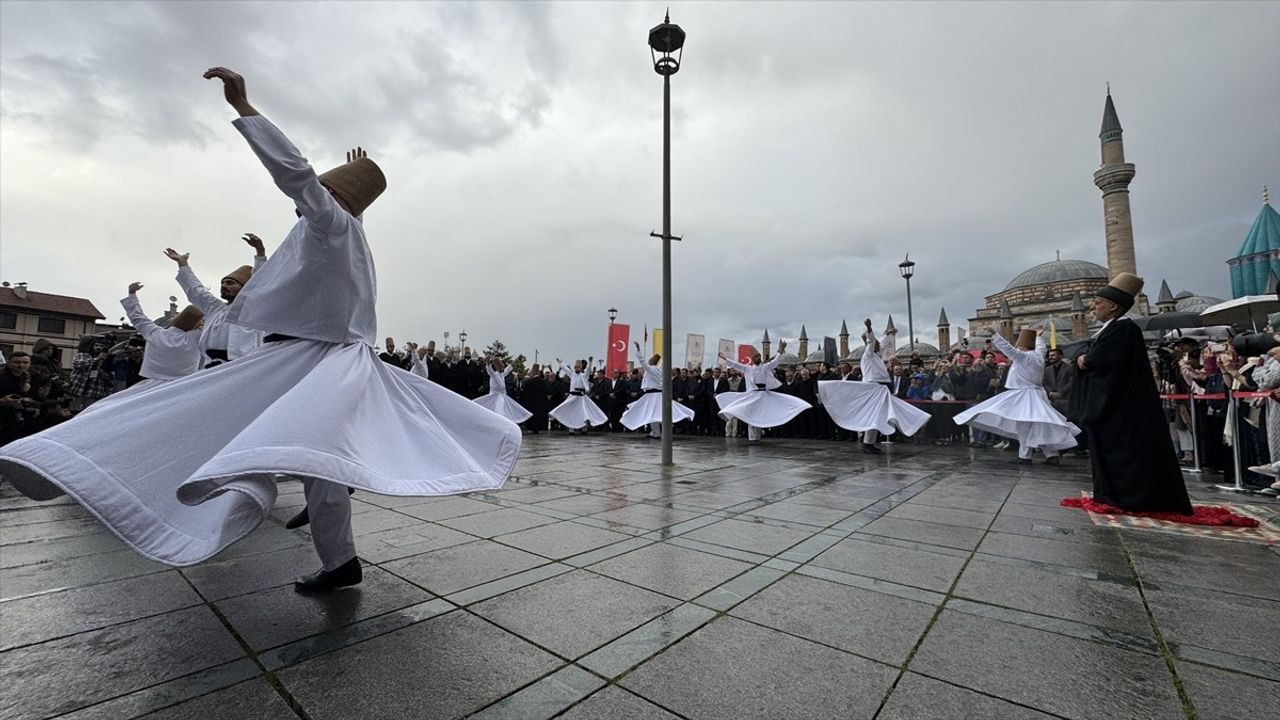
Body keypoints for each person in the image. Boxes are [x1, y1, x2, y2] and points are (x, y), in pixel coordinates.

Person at [0, 66, 522, 592]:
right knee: (313, 461)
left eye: (322, 192)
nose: (307, 197)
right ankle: (338, 561)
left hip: (315, 360)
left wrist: (246, 111)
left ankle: (239, 513)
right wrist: (356, 185)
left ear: (334, 200)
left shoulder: (331, 226)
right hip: (321, 360)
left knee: (247, 435)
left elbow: (295, 174)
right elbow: (309, 211)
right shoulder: (346, 234)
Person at [1069, 273, 1191, 513]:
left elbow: (1100, 362)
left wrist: (1085, 359)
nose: (1094, 307)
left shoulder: (1122, 330)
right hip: (1114, 407)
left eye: (1098, 302)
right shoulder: (1112, 330)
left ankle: (1127, 495)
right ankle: (1110, 493)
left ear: (1113, 306)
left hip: (1120, 409)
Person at [953, 328, 1078, 465]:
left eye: (1019, 346)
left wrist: (995, 335)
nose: (1018, 347)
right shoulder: (1039, 355)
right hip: (1038, 394)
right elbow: (1041, 347)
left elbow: (1008, 349)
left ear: (1023, 346)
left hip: (1025, 394)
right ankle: (1051, 455)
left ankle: (1025, 456)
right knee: (1042, 424)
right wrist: (1038, 336)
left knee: (1024, 426)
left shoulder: (1024, 356)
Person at [818, 320, 931, 451]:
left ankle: (870, 442)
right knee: (878, 414)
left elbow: (882, 344)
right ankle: (915, 420)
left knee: (878, 415)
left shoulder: (877, 355)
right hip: (873, 388)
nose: (879, 345)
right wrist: (869, 328)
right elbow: (872, 342)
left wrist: (886, 334)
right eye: (876, 343)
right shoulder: (868, 355)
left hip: (880, 388)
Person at [166, 233, 267, 367]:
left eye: (230, 283)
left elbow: (259, 282)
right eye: (223, 283)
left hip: (241, 365)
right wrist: (183, 264)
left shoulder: (251, 306)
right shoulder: (216, 308)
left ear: (244, 288)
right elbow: (196, 291)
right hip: (211, 366)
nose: (224, 286)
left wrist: (260, 252)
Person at [716, 342, 810, 445]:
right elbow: (736, 365)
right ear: (752, 359)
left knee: (761, 415)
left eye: (759, 356)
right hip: (752, 395)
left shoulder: (765, 367)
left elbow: (775, 362)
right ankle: (752, 438)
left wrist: (780, 350)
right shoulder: (747, 369)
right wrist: (725, 358)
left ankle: (758, 436)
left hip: (763, 394)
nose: (758, 358)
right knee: (751, 416)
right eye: (756, 356)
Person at [622, 342, 694, 438]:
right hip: (655, 394)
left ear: (652, 362)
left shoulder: (652, 369)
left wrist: (638, 350)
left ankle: (658, 432)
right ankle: (656, 432)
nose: (648, 361)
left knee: (653, 414)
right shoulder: (660, 370)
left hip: (653, 395)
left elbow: (642, 362)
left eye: (650, 360)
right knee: (655, 414)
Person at [549, 358, 607, 433]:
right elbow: (565, 369)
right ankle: (571, 430)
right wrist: (560, 362)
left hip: (581, 398)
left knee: (583, 413)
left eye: (579, 367)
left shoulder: (583, 376)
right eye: (576, 367)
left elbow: (588, 371)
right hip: (572, 397)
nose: (577, 369)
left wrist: (590, 362)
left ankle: (584, 429)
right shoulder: (572, 374)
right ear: (574, 368)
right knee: (571, 413)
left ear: (581, 368)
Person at [477, 357, 532, 425]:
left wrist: (513, 364)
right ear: (498, 368)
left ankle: (501, 423)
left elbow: (507, 370)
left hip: (502, 396)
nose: (503, 368)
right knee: (497, 411)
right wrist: (488, 364)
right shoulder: (495, 375)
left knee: (506, 409)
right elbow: (490, 371)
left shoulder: (502, 374)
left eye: (503, 367)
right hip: (495, 396)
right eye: (502, 367)